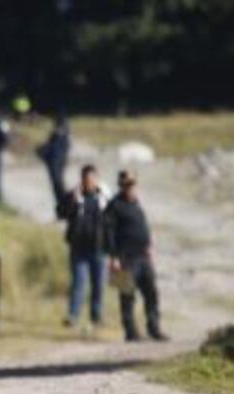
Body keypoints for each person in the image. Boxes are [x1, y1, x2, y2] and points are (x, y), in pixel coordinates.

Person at [103, 170, 169, 342]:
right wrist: (113, 257)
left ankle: (154, 329)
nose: (130, 188)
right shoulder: (114, 206)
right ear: (121, 186)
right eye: (126, 185)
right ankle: (130, 332)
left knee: (151, 293)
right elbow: (108, 233)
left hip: (143, 257)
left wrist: (148, 246)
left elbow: (142, 227)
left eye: (132, 185)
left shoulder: (136, 203)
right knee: (127, 296)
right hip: (124, 259)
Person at [57, 164, 109, 330]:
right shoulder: (74, 197)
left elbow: (113, 221)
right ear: (81, 180)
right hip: (79, 249)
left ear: (97, 180)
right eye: (86, 179)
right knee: (79, 283)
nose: (89, 182)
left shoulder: (104, 199)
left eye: (92, 179)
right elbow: (60, 212)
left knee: (98, 285)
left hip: (99, 249)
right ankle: (73, 316)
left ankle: (96, 317)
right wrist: (73, 199)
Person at [37, 114, 71, 205]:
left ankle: (64, 203)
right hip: (53, 163)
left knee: (59, 184)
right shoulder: (55, 136)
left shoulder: (64, 137)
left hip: (58, 163)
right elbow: (49, 147)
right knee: (56, 185)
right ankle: (61, 204)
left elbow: (58, 150)